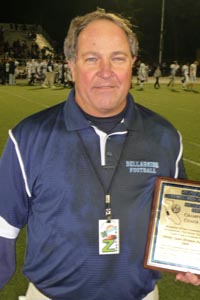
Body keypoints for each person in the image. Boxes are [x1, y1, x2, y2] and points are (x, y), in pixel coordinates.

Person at [0, 8, 199, 300]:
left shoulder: (165, 136)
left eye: (117, 58)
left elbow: (177, 219)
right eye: (92, 58)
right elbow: (3, 229)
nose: (105, 71)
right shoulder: (28, 137)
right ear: (71, 65)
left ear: (132, 63)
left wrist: (189, 255)